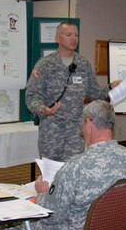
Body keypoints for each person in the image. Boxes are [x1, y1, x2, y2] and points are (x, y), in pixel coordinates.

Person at [0, 100, 126, 230]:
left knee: (11, 222)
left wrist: (43, 192)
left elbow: (51, 214)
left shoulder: (76, 166)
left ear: (89, 123)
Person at [25, 21, 117, 162]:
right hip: (51, 131)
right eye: (69, 35)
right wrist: (42, 109)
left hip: (75, 132)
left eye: (76, 35)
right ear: (57, 38)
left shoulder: (83, 64)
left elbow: (95, 93)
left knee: (72, 171)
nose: (74, 39)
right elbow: (32, 96)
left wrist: (111, 87)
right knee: (51, 174)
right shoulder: (45, 64)